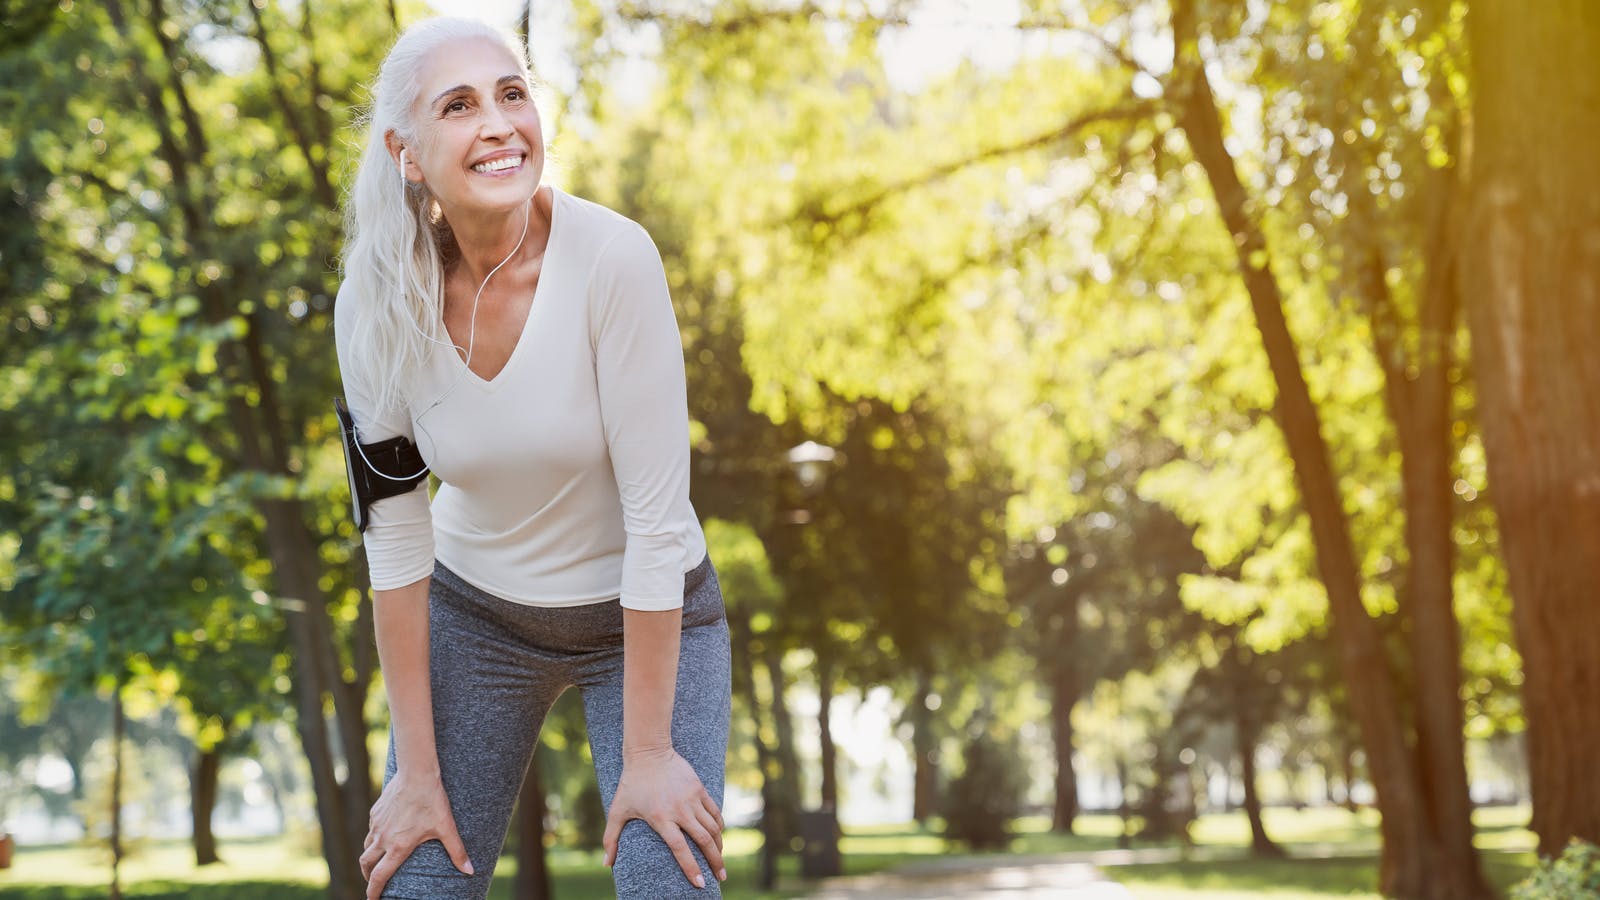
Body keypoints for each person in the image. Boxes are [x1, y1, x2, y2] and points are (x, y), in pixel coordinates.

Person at [333, 17, 730, 900]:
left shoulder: (613, 260)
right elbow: (395, 543)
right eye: (461, 105)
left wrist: (652, 753)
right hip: (477, 620)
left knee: (665, 883)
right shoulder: (373, 302)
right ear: (406, 152)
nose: (500, 123)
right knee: (417, 881)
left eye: (512, 93)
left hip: (649, 619)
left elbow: (658, 524)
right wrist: (415, 776)